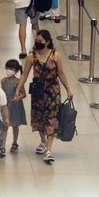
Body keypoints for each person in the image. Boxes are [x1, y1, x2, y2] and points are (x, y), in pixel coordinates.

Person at [13, 30, 74, 164]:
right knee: (39, 117)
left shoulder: (55, 56)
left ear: (47, 42)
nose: (38, 43)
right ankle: (43, 141)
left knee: (51, 118)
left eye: (41, 41)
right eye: (37, 41)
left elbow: (61, 74)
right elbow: (24, 75)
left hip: (52, 91)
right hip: (38, 90)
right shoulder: (31, 57)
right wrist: (18, 88)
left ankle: (49, 149)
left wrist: (68, 89)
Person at [0, 59, 27, 155]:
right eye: (7, 68)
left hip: (15, 106)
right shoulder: (3, 81)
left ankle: (15, 142)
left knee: (15, 125)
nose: (8, 70)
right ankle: (2, 146)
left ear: (16, 71)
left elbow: (24, 94)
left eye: (11, 68)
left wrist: (18, 98)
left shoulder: (18, 82)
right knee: (4, 126)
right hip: (6, 106)